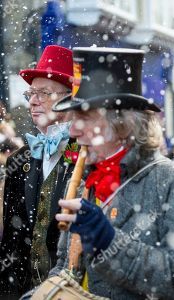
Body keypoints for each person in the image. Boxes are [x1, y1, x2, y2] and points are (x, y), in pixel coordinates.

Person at [39, 47, 174, 299]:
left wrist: (110, 243)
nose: (73, 132)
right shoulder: (85, 182)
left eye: (84, 118)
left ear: (121, 123)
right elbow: (66, 268)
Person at [0, 45, 74, 297]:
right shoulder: (19, 160)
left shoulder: (86, 157)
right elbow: (11, 242)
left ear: (69, 98)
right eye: (31, 93)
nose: (33, 100)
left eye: (44, 93)